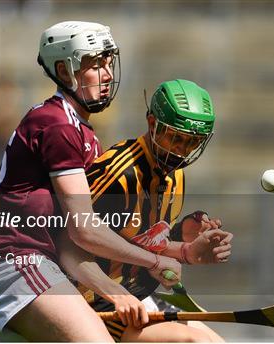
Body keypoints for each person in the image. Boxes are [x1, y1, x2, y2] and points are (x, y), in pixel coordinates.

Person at [0, 21, 181, 342]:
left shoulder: (85, 136)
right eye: (95, 64)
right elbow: (84, 229)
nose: (108, 74)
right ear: (63, 70)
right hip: (18, 264)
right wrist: (151, 263)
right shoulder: (57, 124)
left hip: (49, 268)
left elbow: (73, 245)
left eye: (109, 62)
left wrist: (123, 284)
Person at [65, 79, 233, 342]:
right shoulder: (119, 173)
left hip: (138, 299)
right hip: (93, 307)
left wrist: (188, 250)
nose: (182, 150)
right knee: (195, 342)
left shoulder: (174, 176)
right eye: (176, 138)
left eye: (193, 141)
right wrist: (113, 293)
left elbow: (136, 242)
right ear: (152, 124)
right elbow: (67, 242)